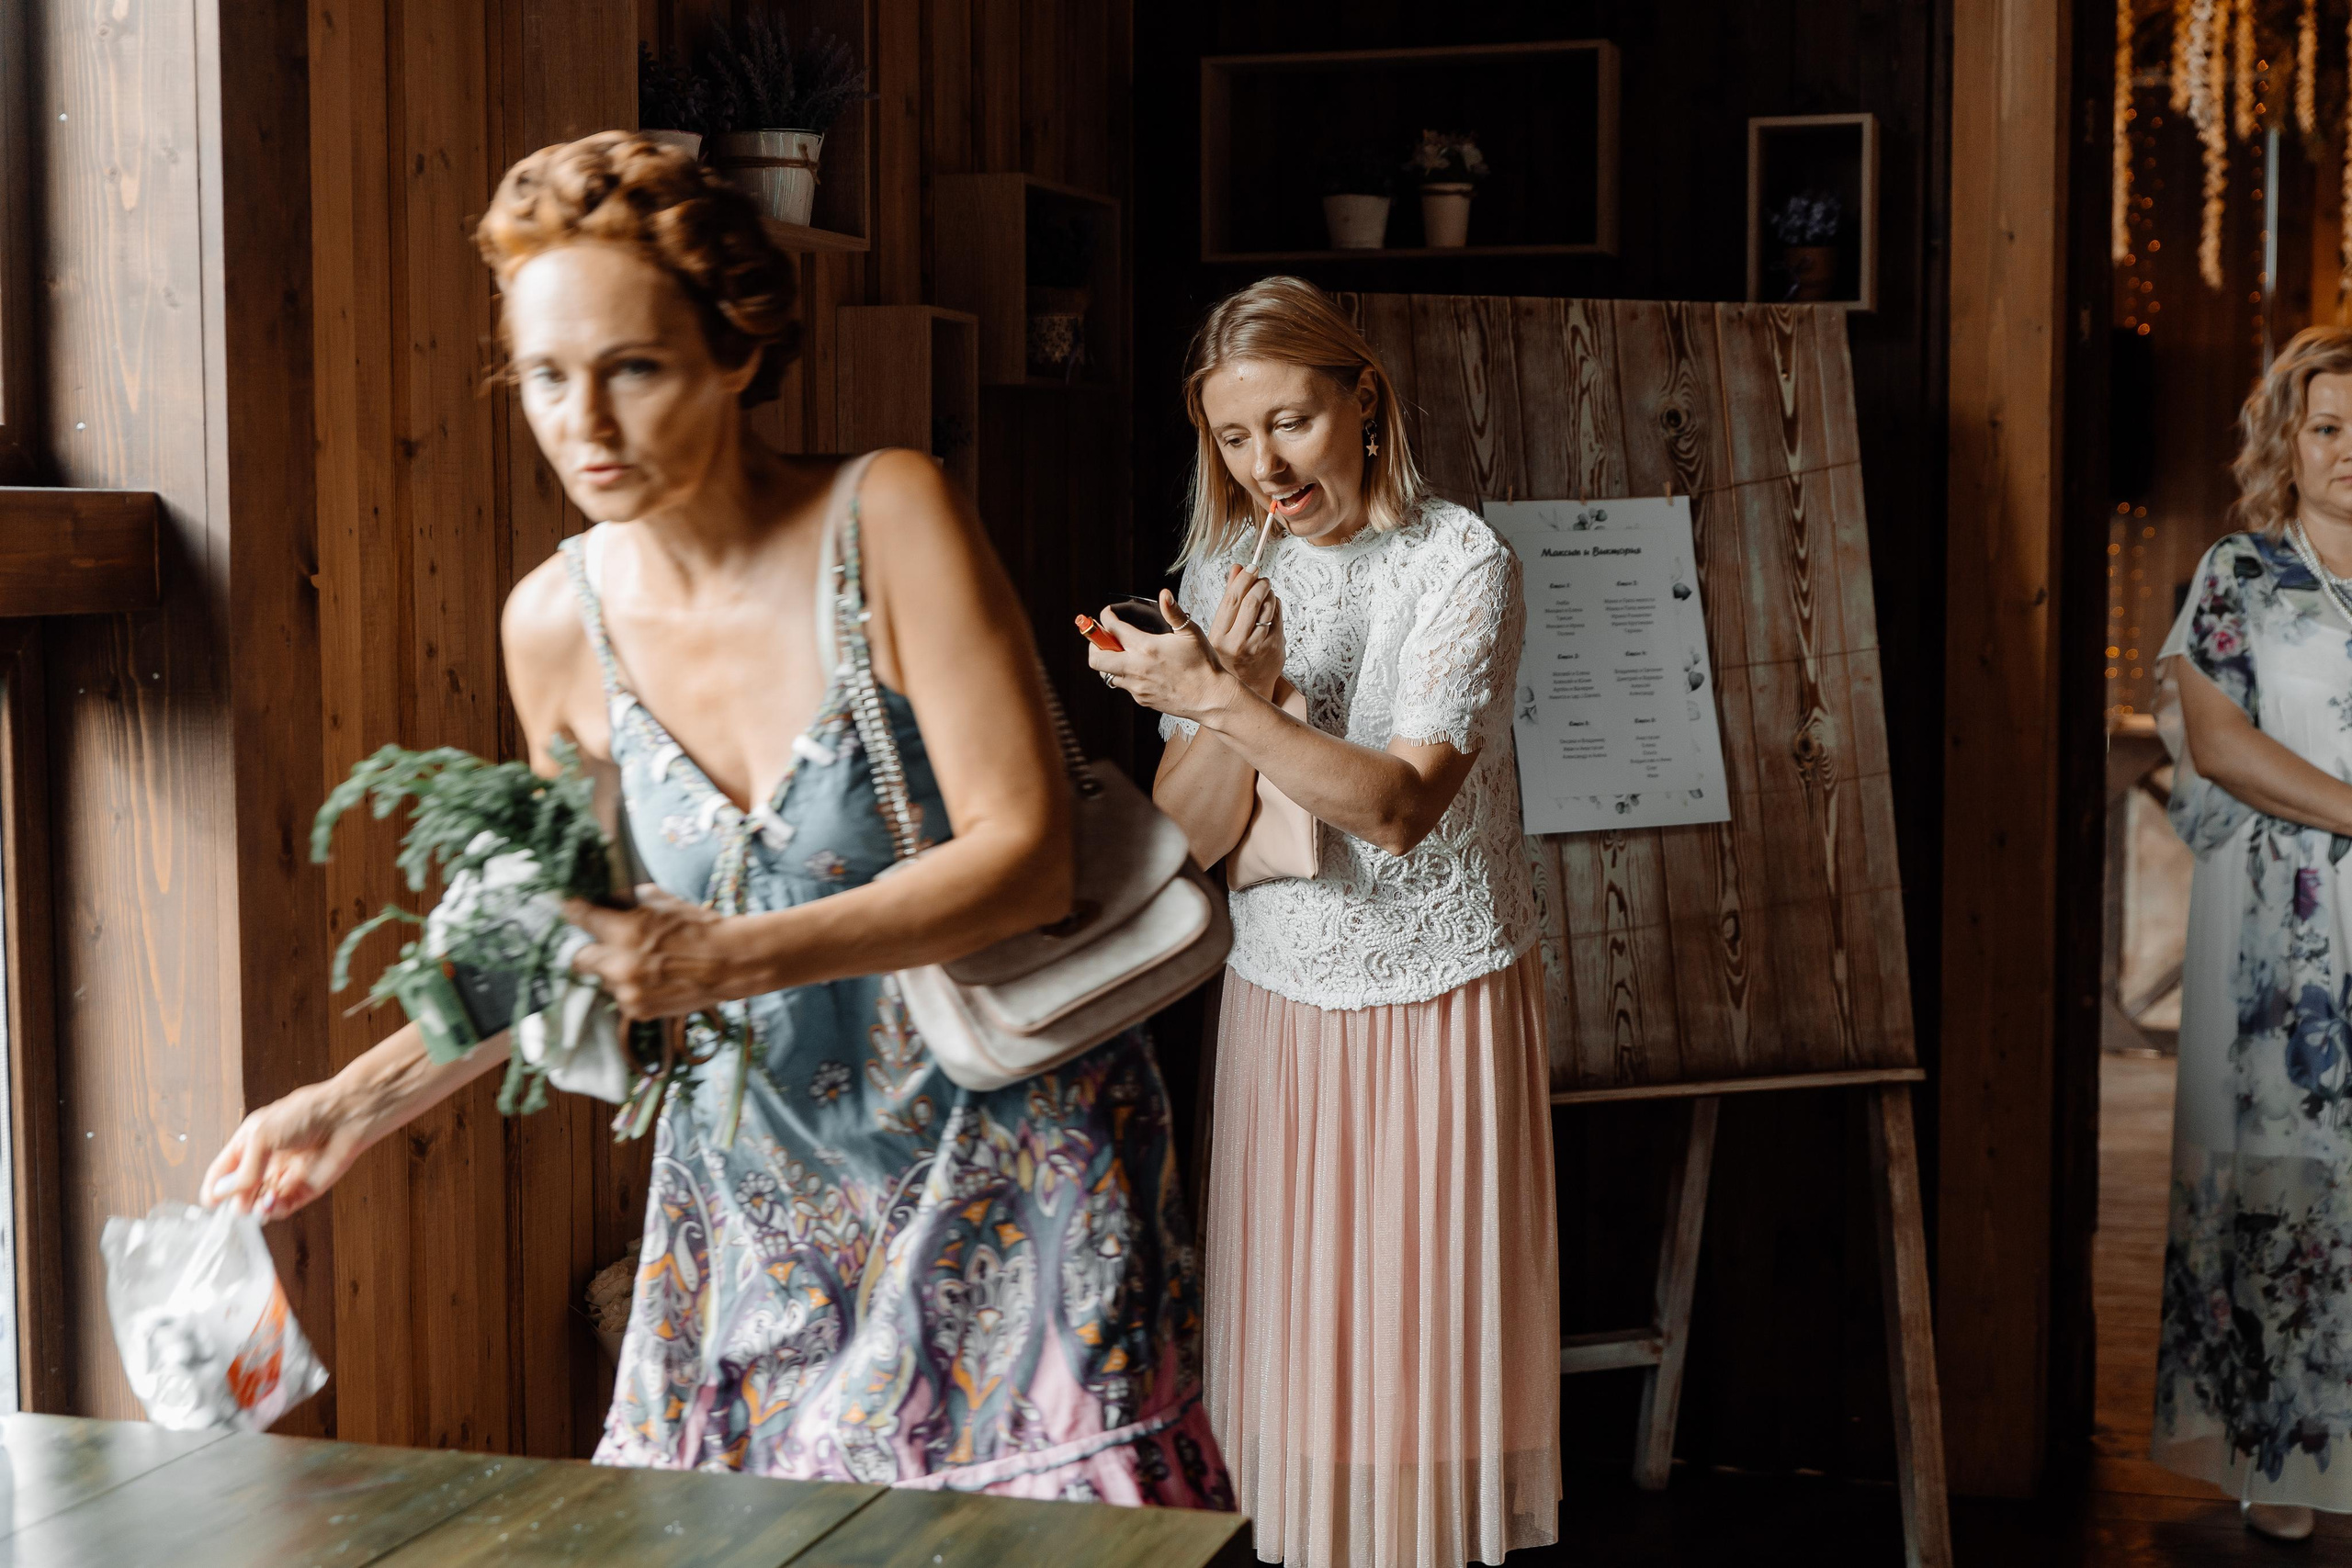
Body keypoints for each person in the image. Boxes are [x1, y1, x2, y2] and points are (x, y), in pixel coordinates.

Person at [202, 132, 1229, 1505]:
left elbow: (1027, 863)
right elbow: (557, 926)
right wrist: (348, 1102)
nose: (586, 425)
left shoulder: (890, 518)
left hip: (1017, 1171)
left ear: (738, 355)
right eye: (547, 378)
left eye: (634, 369)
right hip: (755, 1208)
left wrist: (728, 961)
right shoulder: (555, 625)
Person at [1087, 276, 1559, 1568]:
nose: (1264, 464)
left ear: (1364, 401)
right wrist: (1221, 688)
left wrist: (1229, 699)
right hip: (1284, 1002)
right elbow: (1188, 832)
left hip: (1434, 999)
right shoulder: (1227, 566)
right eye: (1233, 439)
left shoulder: (1461, 562)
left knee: (1416, 1358)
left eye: (1288, 423)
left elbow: (1399, 808)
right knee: (1294, 1357)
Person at [2152, 324, 2352, 1541]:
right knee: (2289, 1183)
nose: (2349, 454)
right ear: (2291, 439)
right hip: (2288, 948)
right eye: (2328, 428)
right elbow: (2221, 742)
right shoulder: (2242, 574)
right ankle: (2281, 1457)